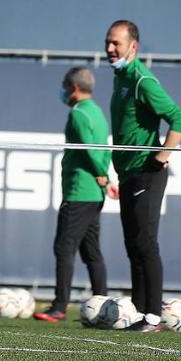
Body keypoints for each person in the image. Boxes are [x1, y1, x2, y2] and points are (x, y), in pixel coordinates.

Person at [104, 20, 181, 332]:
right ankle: (140, 313)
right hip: (127, 174)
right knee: (132, 244)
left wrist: (161, 156)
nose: (110, 49)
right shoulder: (120, 78)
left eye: (117, 43)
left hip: (146, 174)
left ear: (133, 47)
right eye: (108, 43)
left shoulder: (142, 80)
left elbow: (179, 119)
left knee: (145, 243)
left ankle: (153, 316)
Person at [36, 67, 110, 322]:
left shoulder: (78, 114)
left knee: (63, 248)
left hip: (80, 191)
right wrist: (105, 178)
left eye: (65, 86)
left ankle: (59, 306)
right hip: (94, 193)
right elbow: (106, 148)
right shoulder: (98, 112)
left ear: (74, 88)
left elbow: (90, 149)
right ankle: (104, 303)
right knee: (91, 251)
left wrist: (101, 174)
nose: (63, 91)